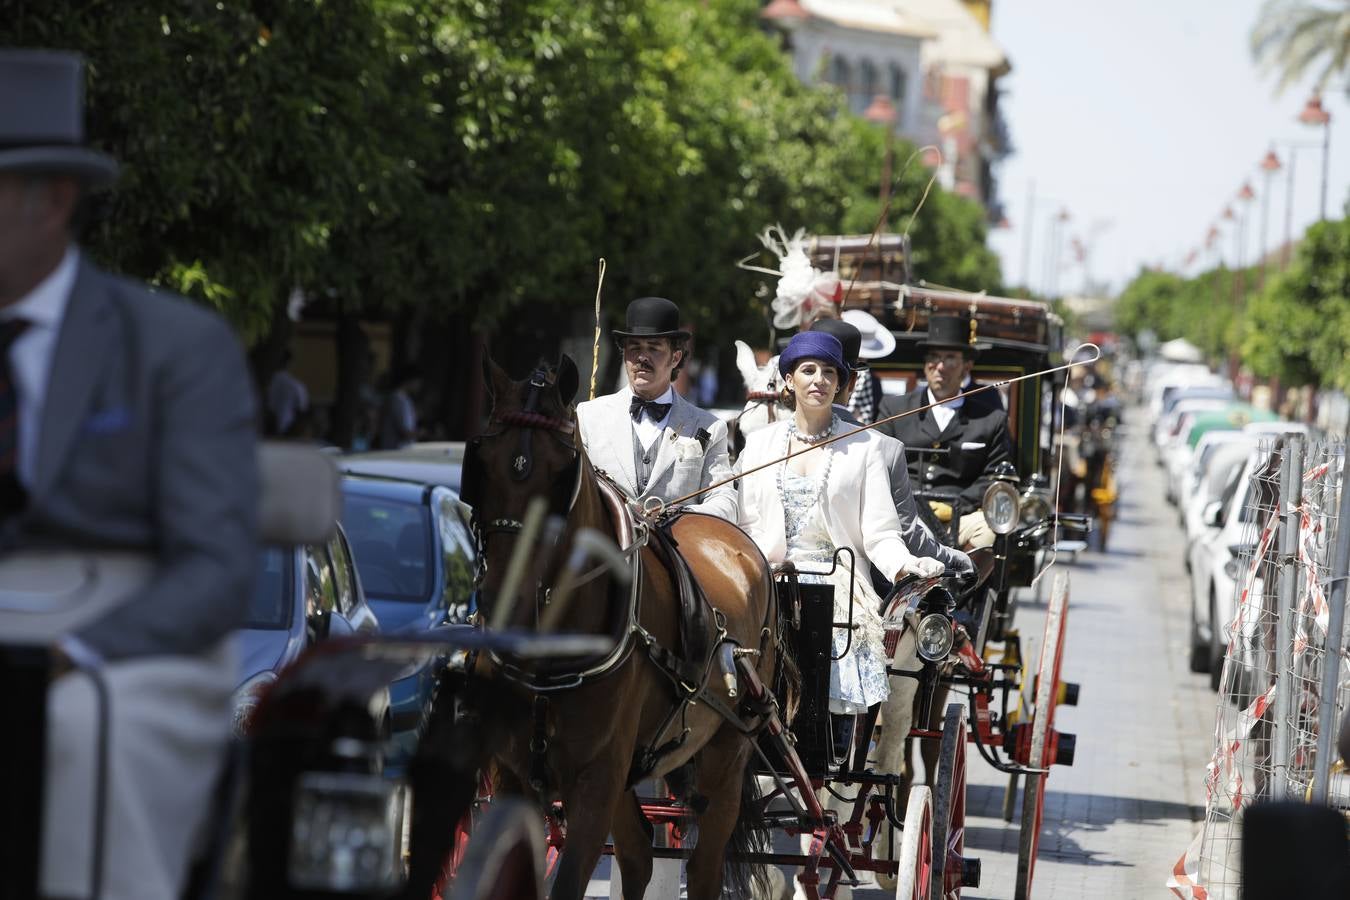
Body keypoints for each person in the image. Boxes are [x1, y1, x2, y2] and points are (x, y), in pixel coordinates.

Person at [0, 50, 258, 900]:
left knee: (73, 729)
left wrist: (79, 651)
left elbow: (216, 567)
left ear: (55, 200)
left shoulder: (175, 348)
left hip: (132, 634)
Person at [735, 331, 944, 714]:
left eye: (830, 372)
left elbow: (880, 532)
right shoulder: (760, 446)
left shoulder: (864, 447)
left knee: (839, 623)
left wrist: (905, 564)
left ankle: (829, 728)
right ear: (788, 380)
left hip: (837, 578)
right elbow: (743, 524)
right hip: (768, 572)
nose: (819, 380)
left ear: (841, 383)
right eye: (808, 370)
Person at [809, 316, 973, 579]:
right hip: (849, 582)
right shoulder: (880, 447)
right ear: (852, 382)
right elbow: (905, 533)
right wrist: (951, 557)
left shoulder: (765, 443)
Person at [576, 296, 736, 519]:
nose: (642, 357)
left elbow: (725, 502)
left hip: (676, 548)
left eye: (654, 348)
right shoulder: (587, 417)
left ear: (675, 357)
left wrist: (675, 514)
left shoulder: (710, 427)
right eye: (634, 348)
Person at [874, 314, 1014, 550]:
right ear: (925, 364)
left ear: (966, 366)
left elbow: (993, 478)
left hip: (958, 520)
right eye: (934, 358)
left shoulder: (991, 420)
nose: (940, 366)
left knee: (990, 529)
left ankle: (961, 583)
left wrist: (957, 505)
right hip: (901, 518)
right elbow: (877, 464)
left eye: (950, 358)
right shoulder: (894, 410)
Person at [265, 348, 309, 436]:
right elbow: (302, 408)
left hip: (266, 429)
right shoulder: (296, 385)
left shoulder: (266, 383)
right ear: (289, 363)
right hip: (288, 429)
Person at [376, 363, 420, 449]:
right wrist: (422, 434)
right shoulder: (397, 399)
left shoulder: (405, 400)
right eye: (417, 382)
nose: (418, 386)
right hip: (394, 451)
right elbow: (405, 431)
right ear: (410, 380)